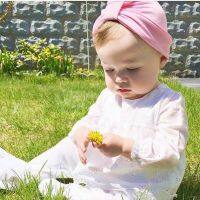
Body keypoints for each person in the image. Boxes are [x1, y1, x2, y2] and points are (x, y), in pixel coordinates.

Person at [0, 1, 188, 199]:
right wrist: (82, 132)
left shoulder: (168, 103)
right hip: (104, 166)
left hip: (141, 182)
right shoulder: (109, 97)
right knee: (68, 146)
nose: (119, 78)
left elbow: (170, 153)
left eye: (132, 69)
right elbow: (90, 120)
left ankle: (74, 193)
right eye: (109, 69)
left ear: (161, 60)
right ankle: (29, 172)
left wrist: (126, 147)